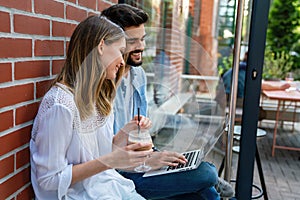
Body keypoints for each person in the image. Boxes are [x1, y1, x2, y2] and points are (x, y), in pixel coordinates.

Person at [102, 4, 234, 199]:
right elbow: (106, 154)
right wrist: (149, 159)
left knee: (203, 187)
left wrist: (156, 155)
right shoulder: (102, 86)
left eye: (143, 39)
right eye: (132, 41)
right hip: (122, 174)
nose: (141, 47)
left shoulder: (138, 75)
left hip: (142, 162)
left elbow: (141, 132)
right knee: (206, 174)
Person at [29, 15, 157, 199]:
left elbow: (98, 155)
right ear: (101, 46)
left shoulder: (99, 98)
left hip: (106, 188)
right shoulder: (60, 105)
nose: (122, 61)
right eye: (120, 51)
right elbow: (49, 180)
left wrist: (126, 132)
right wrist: (110, 161)